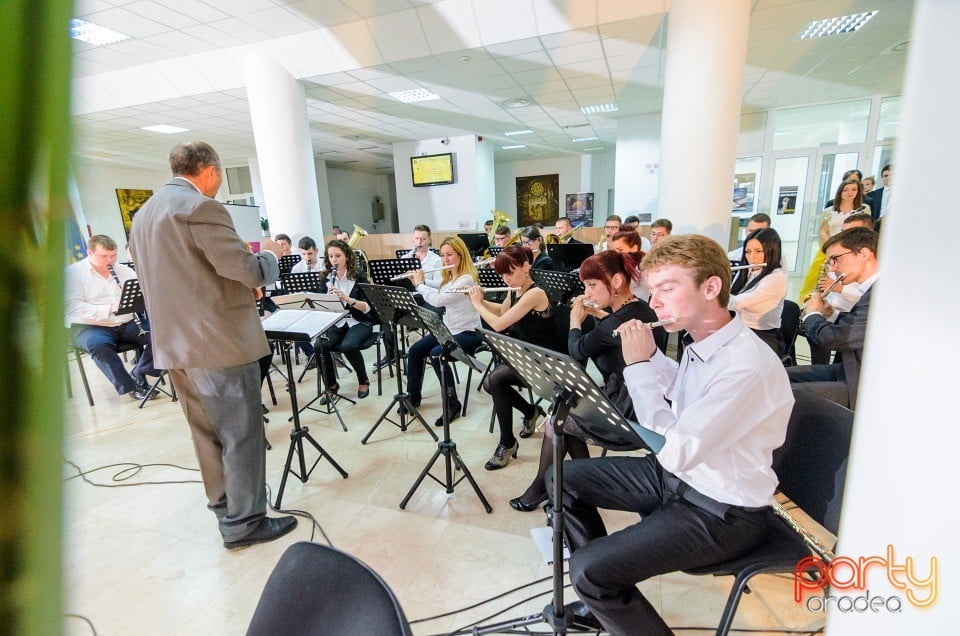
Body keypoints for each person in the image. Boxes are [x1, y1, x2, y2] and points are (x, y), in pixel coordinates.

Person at [549, 234, 793, 635]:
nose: (655, 300)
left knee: (587, 570)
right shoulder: (703, 342)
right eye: (652, 288)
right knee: (563, 479)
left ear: (711, 287)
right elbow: (682, 394)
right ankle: (606, 590)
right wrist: (655, 358)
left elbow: (674, 450)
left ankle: (599, 582)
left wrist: (637, 368)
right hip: (683, 480)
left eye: (667, 288)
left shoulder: (744, 366)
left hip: (722, 509)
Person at [129, 141, 296, 549]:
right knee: (241, 432)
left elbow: (188, 276)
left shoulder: (145, 215)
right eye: (219, 174)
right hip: (217, 345)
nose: (219, 183)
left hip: (174, 345)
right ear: (209, 170)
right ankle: (246, 523)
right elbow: (247, 270)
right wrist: (271, 256)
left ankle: (224, 506)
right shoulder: (200, 207)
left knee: (206, 433)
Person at [509, 250, 662, 512]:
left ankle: (540, 488)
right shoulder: (639, 308)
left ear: (615, 282)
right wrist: (597, 314)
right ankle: (577, 481)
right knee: (565, 410)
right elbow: (611, 326)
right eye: (585, 286)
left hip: (630, 408)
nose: (587, 293)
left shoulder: (616, 322)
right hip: (634, 394)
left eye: (592, 285)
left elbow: (577, 350)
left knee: (555, 419)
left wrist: (574, 319)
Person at [468, 246, 566, 470]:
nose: (506, 279)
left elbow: (500, 325)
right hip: (527, 359)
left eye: (510, 272)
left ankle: (508, 442)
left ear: (526, 266)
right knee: (491, 382)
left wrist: (476, 306)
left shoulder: (535, 293)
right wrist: (478, 299)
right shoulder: (515, 291)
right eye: (502, 275)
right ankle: (529, 414)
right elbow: (503, 312)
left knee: (495, 380)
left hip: (547, 364)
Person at [788, 227, 878, 409]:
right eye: (830, 262)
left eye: (836, 259)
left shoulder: (880, 292)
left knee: (783, 393)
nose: (833, 268)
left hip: (860, 384)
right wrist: (830, 314)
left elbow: (833, 338)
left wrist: (813, 314)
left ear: (864, 253)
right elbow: (854, 329)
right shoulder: (871, 290)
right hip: (847, 370)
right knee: (779, 376)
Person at [65, 234, 158, 401]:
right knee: (99, 346)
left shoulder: (124, 271)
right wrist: (108, 309)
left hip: (125, 322)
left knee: (162, 335)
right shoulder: (73, 274)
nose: (110, 260)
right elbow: (72, 307)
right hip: (90, 327)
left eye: (113, 255)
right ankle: (131, 386)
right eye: (104, 256)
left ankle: (139, 372)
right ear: (89, 253)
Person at [404, 237, 482, 425]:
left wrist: (419, 284)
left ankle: (452, 404)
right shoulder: (449, 277)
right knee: (415, 351)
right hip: (449, 329)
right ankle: (413, 397)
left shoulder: (467, 279)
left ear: (461, 255)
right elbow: (441, 292)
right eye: (443, 255)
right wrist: (420, 280)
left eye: (449, 255)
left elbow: (439, 300)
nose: (445, 259)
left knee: (438, 354)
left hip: (469, 332)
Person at [798, 178, 870, 303]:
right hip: (830, 246)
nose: (849, 192)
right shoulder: (830, 210)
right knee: (817, 276)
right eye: (846, 190)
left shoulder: (863, 210)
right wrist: (833, 245)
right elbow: (823, 231)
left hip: (851, 248)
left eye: (853, 189)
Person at [318, 240, 375, 400]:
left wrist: (346, 298)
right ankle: (331, 385)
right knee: (319, 345)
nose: (334, 260)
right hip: (336, 322)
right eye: (330, 256)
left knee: (348, 346)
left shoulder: (358, 276)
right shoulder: (325, 278)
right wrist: (327, 301)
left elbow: (367, 308)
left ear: (347, 257)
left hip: (359, 321)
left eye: (338, 256)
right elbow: (318, 306)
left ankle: (363, 380)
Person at [728, 228, 788, 355]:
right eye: (748, 252)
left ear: (771, 251)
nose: (752, 257)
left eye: (758, 251)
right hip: (740, 331)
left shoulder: (776, 278)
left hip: (763, 337)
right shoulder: (748, 271)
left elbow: (735, 303)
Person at [609, 230, 649, 302]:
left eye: (620, 250)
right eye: (614, 251)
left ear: (634, 248)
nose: (616, 254)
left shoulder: (641, 265)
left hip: (635, 308)